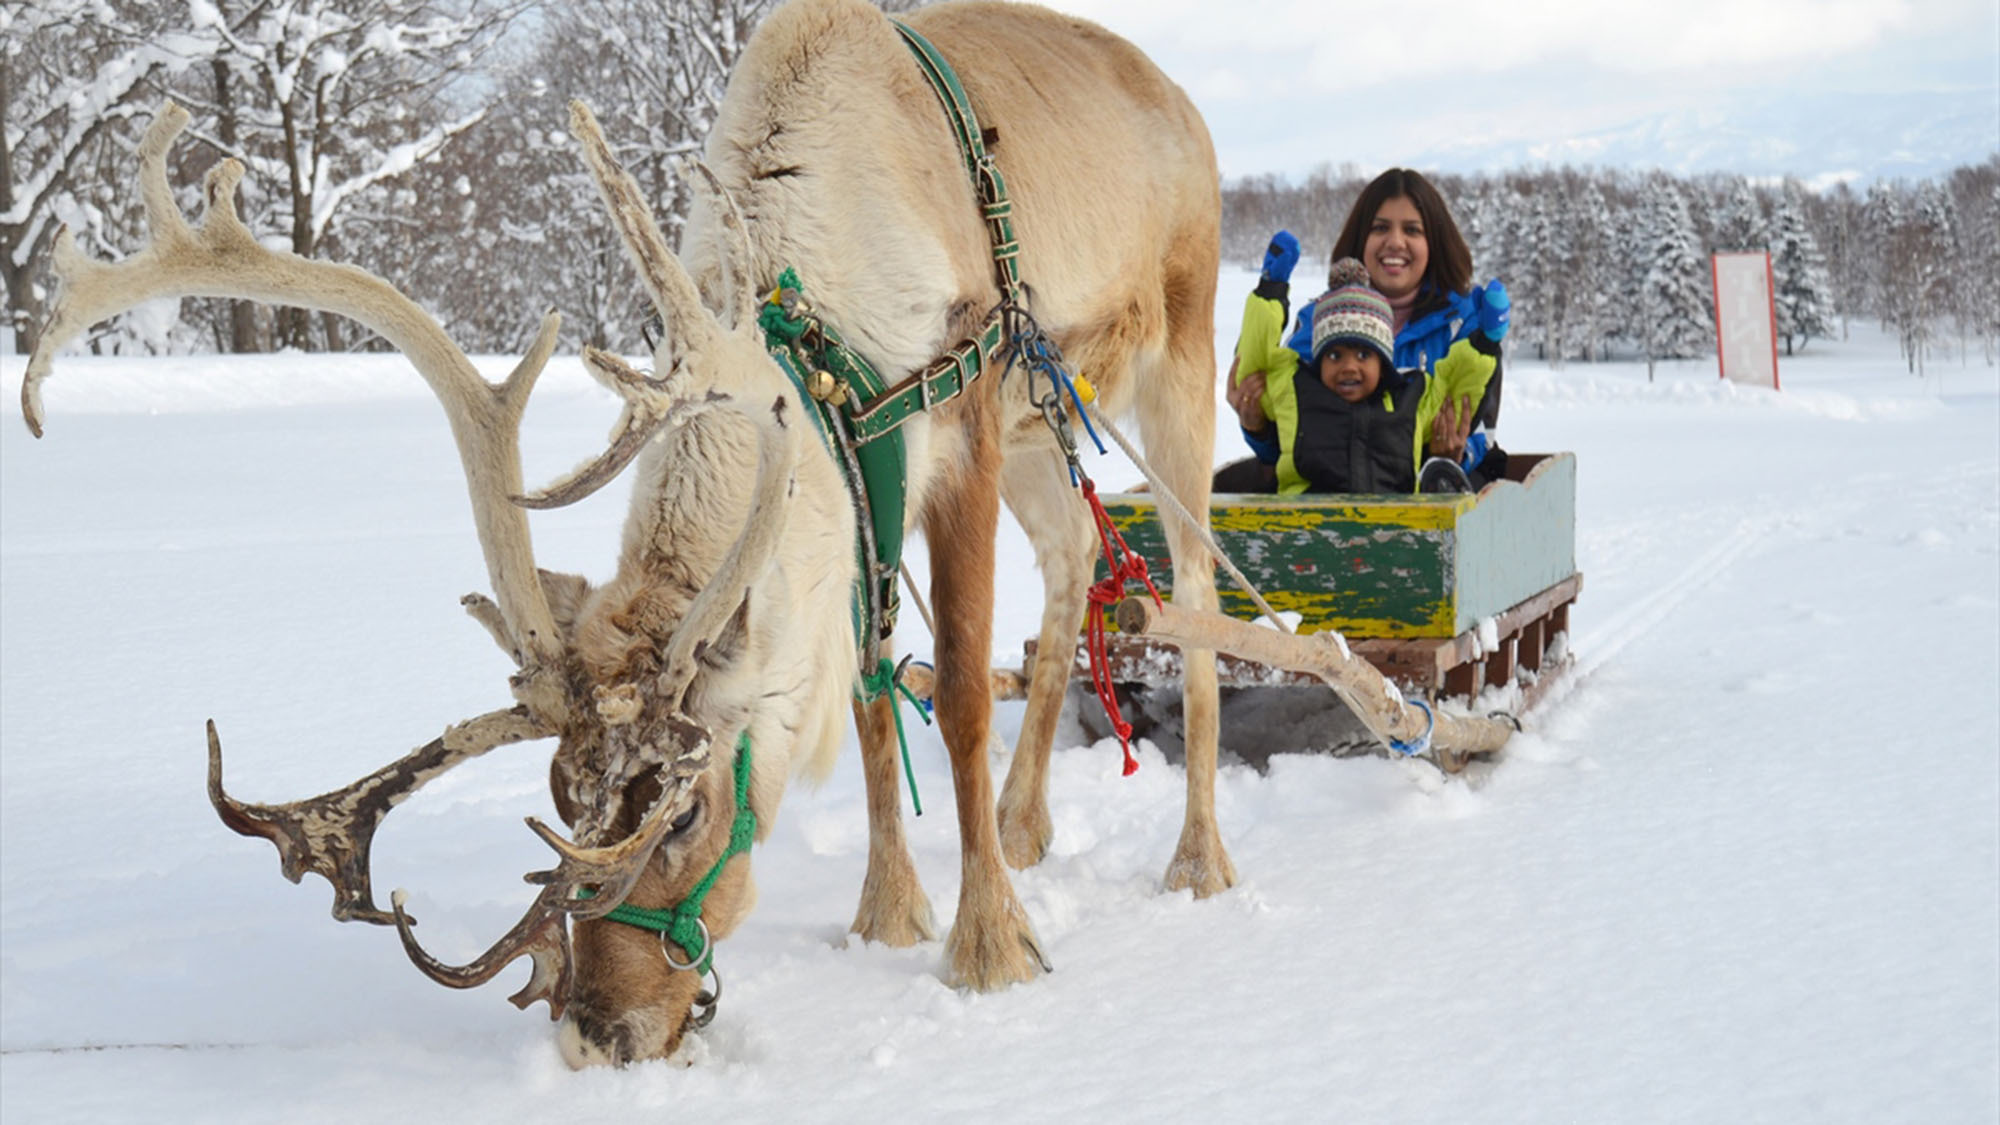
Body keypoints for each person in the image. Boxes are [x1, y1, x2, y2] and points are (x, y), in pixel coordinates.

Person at [1218, 168, 1511, 491]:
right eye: (1380, 227)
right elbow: (1288, 434)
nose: (1395, 242)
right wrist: (1257, 427)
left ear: (1434, 241)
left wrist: (1447, 460)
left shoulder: (1464, 322)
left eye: (1412, 230)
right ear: (1361, 238)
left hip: (1428, 510)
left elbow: (1481, 427)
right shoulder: (1320, 321)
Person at [1227, 257, 1499, 496]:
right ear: (1318, 361)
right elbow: (1256, 363)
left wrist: (1485, 343)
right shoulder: (1296, 391)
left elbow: (1455, 387)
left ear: (1382, 362)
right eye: (1334, 356)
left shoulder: (1410, 398)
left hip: (1397, 531)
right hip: (1308, 532)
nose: (1348, 367)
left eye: (1363, 356)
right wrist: (1270, 292)